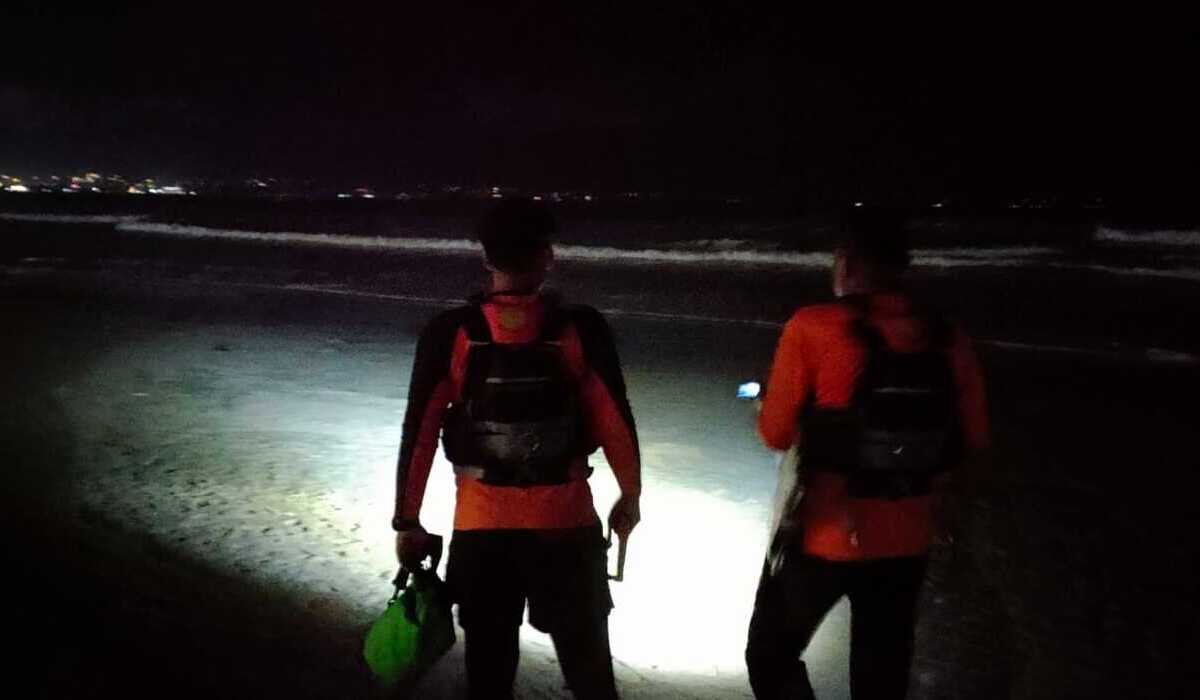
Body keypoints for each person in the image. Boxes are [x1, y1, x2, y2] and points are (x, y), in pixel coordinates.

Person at [392, 198, 641, 700]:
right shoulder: (582, 329)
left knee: (489, 678)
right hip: (566, 528)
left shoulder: (450, 333)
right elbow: (615, 419)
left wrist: (407, 520)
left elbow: (419, 432)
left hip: (482, 531)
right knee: (591, 676)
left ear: (486, 257)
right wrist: (629, 496)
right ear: (547, 256)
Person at [745, 209, 990, 699]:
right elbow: (975, 438)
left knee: (770, 654)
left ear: (847, 262)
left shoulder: (814, 326)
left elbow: (775, 434)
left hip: (823, 536)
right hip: (907, 540)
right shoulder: (947, 336)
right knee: (881, 679)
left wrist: (770, 408)